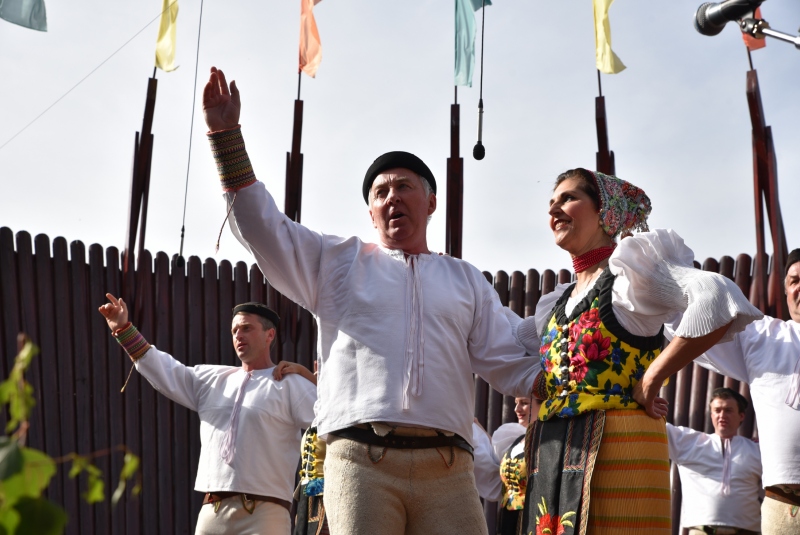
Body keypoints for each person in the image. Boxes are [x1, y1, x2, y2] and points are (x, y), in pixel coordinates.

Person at [202, 66, 539, 535]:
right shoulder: (338, 262)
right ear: (370, 211)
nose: (392, 197)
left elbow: (504, 358)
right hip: (360, 461)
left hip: (449, 467)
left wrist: (574, 376)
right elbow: (264, 230)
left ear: (430, 202)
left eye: (404, 187)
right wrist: (226, 137)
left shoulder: (465, 279)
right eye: (381, 192)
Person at [504, 168, 762, 534]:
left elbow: (717, 298)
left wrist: (653, 378)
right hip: (554, 454)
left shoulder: (632, 276)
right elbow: (505, 338)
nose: (555, 211)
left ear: (605, 211)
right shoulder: (556, 302)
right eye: (551, 203)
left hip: (621, 449)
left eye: (569, 198)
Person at [98, 294, 317, 535]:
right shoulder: (212, 379)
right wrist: (123, 330)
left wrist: (312, 378)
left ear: (270, 335)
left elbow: (331, 417)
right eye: (234, 331)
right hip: (213, 512)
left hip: (267, 514)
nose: (238, 336)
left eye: (246, 328)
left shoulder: (289, 383)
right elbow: (164, 370)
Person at [675, 248, 800, 535]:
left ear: (741, 416)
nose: (799, 287)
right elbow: (694, 325)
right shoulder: (764, 335)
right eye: (794, 281)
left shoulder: (748, 452)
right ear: (785, 292)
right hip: (784, 509)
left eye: (727, 410)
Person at [667, 387, 762, 535]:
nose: (722, 415)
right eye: (717, 410)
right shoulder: (689, 443)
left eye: (728, 410)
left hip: (747, 531)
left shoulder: (757, 450)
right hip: (701, 531)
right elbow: (656, 426)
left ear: (741, 415)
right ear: (711, 414)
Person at [473, 397, 542, 535]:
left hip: (532, 517)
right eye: (516, 403)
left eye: (524, 403)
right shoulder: (515, 439)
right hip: (507, 519)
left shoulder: (545, 441)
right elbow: (496, 459)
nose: (517, 409)